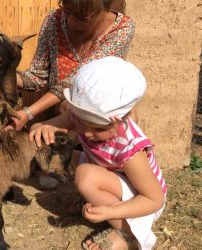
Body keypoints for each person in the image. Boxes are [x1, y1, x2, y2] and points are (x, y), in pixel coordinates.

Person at [29, 56, 167, 250]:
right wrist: (41, 127)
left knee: (85, 176)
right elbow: (49, 127)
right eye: (80, 121)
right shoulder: (83, 119)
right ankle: (94, 199)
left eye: (97, 128)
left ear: (123, 119)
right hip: (113, 178)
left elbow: (154, 199)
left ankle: (128, 235)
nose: (86, 132)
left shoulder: (129, 148)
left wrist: (111, 212)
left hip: (142, 200)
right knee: (62, 155)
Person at [6, 0, 135, 131]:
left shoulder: (121, 29)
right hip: (55, 112)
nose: (71, 21)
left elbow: (75, 81)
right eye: (67, 11)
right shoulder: (54, 21)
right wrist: (4, 76)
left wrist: (28, 113)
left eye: (82, 17)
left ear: (103, 10)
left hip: (95, 119)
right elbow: (38, 76)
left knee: (69, 106)